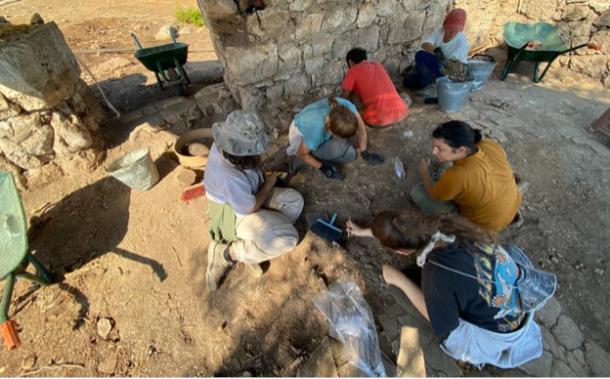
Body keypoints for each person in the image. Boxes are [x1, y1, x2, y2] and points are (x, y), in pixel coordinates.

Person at [346, 209, 556, 369]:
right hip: (515, 305)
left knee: (397, 287)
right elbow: (401, 230)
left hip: (497, 334)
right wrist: (367, 231)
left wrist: (399, 280)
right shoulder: (448, 225)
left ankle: (463, 358)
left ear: (401, 251)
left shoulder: (436, 274)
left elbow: (446, 325)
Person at [204, 110, 304, 291]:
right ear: (243, 155)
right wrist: (271, 182)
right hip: (232, 213)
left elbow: (249, 175)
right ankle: (227, 253)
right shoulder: (230, 176)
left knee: (295, 202)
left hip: (246, 193)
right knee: (289, 237)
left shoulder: (225, 145)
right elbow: (249, 208)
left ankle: (254, 247)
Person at [410, 120, 521, 233]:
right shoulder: (489, 145)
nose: (434, 152)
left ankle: (460, 229)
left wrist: (423, 171)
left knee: (418, 192)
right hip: (511, 206)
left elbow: (433, 195)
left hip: (485, 226)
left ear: (462, 150)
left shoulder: (457, 175)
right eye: (434, 146)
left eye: (440, 148)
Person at [286, 96, 384, 180]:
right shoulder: (317, 132)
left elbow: (361, 128)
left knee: (347, 149)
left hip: (307, 122)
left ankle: (325, 149)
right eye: (340, 136)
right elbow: (301, 153)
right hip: (299, 135)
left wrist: (364, 151)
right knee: (349, 154)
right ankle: (313, 154)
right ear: (331, 130)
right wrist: (322, 167)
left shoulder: (345, 106)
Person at [403, 8, 469, 90]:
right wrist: (436, 50)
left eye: (456, 31)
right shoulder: (440, 31)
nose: (452, 34)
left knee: (418, 80)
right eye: (450, 29)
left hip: (452, 71)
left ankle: (431, 82)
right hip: (439, 66)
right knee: (408, 80)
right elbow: (425, 44)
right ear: (445, 25)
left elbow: (458, 71)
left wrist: (444, 62)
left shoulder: (461, 42)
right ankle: (427, 80)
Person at [341, 47, 409, 127]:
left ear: (350, 62)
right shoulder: (378, 65)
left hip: (379, 119)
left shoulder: (353, 70)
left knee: (353, 110)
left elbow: (344, 99)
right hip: (402, 112)